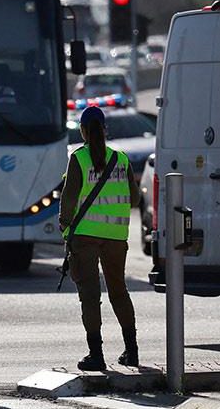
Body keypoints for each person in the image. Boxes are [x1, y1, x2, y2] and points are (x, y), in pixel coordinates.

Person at [59, 106, 139, 371]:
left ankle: (97, 355)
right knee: (119, 291)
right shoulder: (122, 159)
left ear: (83, 130)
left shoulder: (79, 159)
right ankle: (132, 350)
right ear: (104, 129)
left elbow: (68, 201)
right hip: (117, 237)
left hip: (85, 238)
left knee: (90, 296)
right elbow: (135, 198)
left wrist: (65, 231)